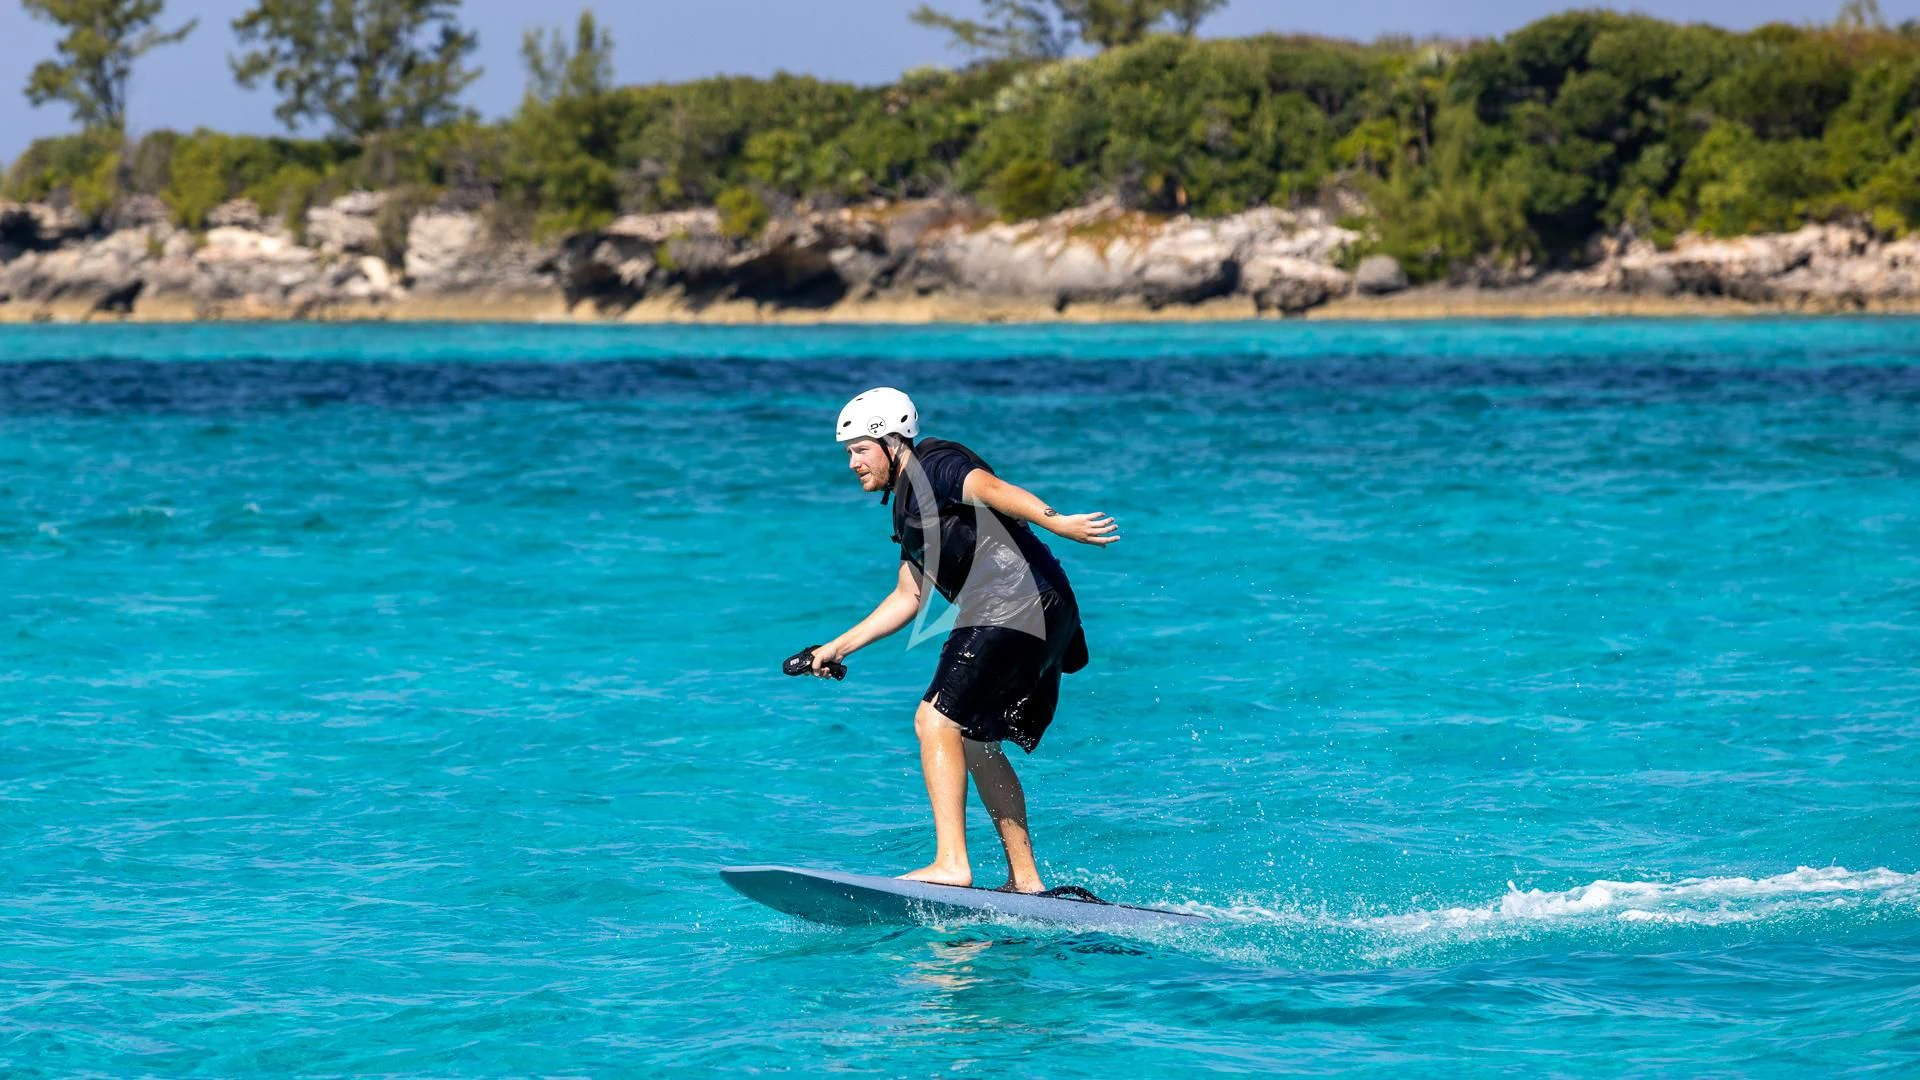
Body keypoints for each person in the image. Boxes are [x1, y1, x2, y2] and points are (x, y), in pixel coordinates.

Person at [805, 388, 1119, 893]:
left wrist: (1057, 521)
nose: (852, 464)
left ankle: (951, 864)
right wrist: (836, 648)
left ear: (891, 441)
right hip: (1042, 607)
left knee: (934, 719)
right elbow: (909, 595)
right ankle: (1026, 881)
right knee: (972, 739)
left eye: (860, 450)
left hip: (1014, 600)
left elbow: (990, 487)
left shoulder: (935, 465)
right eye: (849, 453)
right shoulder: (908, 504)